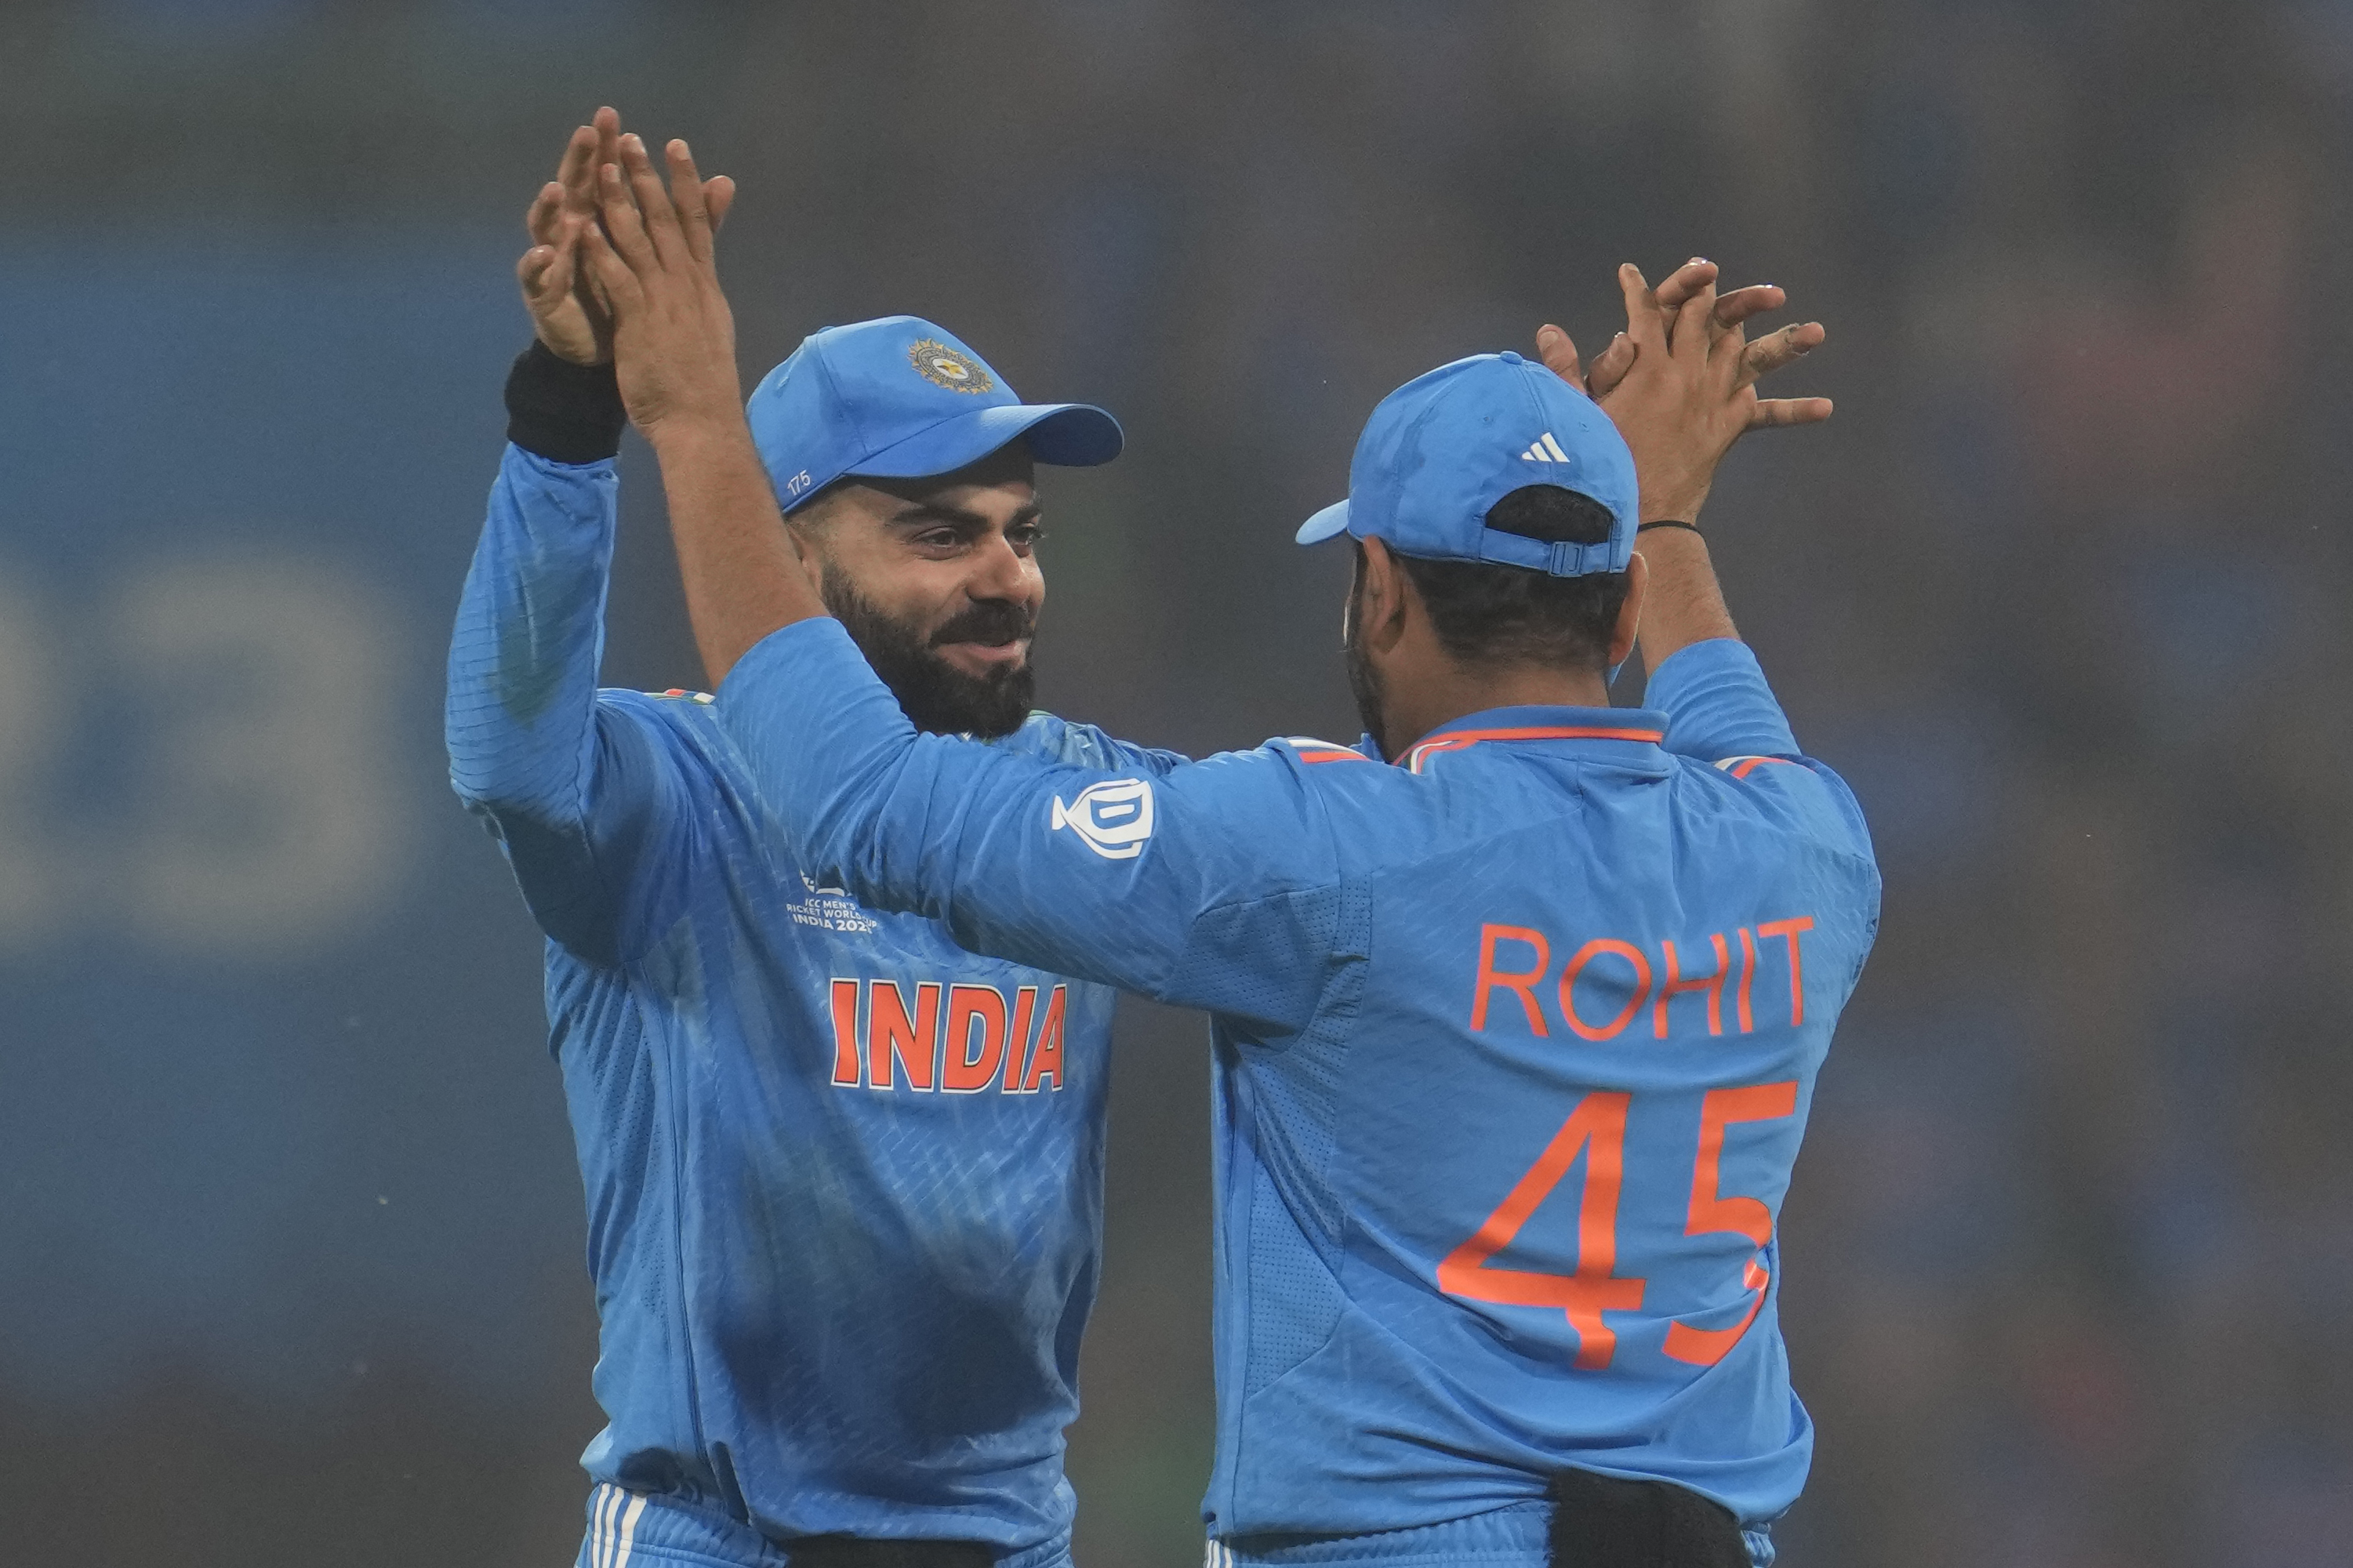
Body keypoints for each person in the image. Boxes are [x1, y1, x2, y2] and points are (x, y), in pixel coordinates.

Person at [579, 137, 1879, 1568]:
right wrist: (1668, 507)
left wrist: (695, 421)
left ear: (1377, 591)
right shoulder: (1806, 848)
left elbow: (864, 805)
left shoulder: (1317, 853)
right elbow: (1722, 706)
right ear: (1624, 610)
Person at [445, 111, 1186, 1568]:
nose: (1005, 578)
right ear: (781, 554)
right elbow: (515, 764)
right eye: (936, 534)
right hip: (720, 1533)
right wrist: (564, 426)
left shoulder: (1090, 804)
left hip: (1010, 1537)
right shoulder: (681, 792)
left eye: (1018, 532)